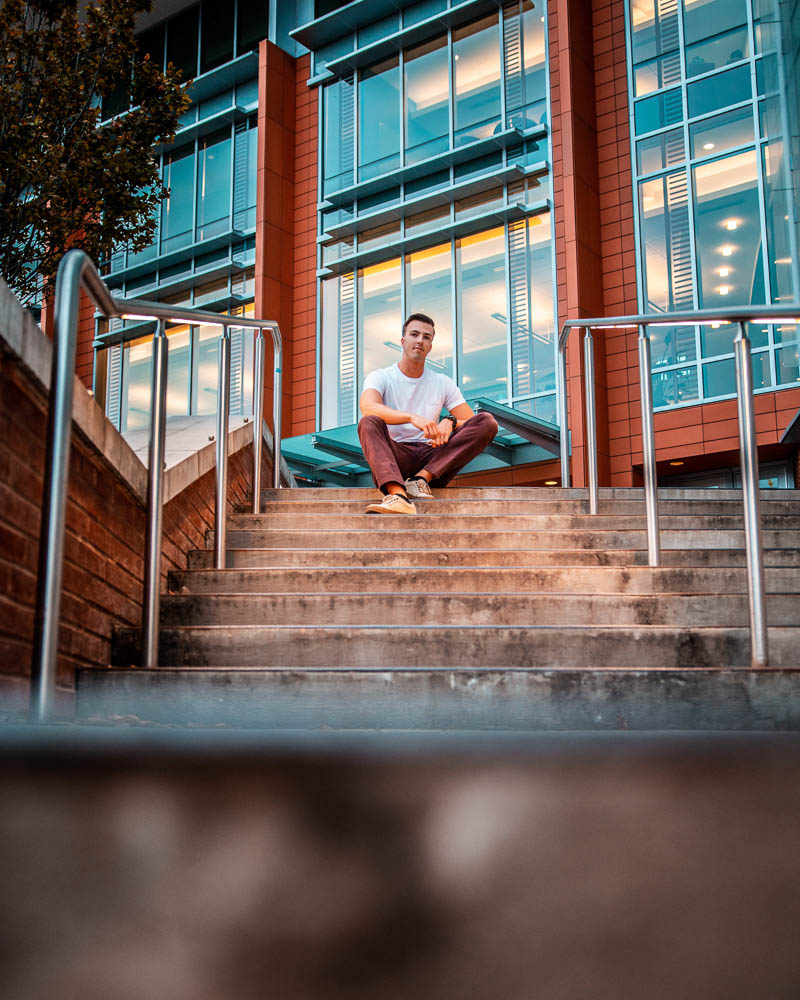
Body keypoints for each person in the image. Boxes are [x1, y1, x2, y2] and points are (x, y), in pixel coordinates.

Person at [357, 312, 498, 515]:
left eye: (426, 337)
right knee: (368, 422)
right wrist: (412, 417)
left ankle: (421, 479)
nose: (420, 341)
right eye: (414, 334)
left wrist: (449, 421)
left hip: (433, 460)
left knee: (487, 421)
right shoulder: (381, 376)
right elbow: (369, 407)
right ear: (403, 341)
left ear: (430, 346)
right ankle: (397, 496)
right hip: (395, 459)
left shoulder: (442, 382)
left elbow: (471, 421)